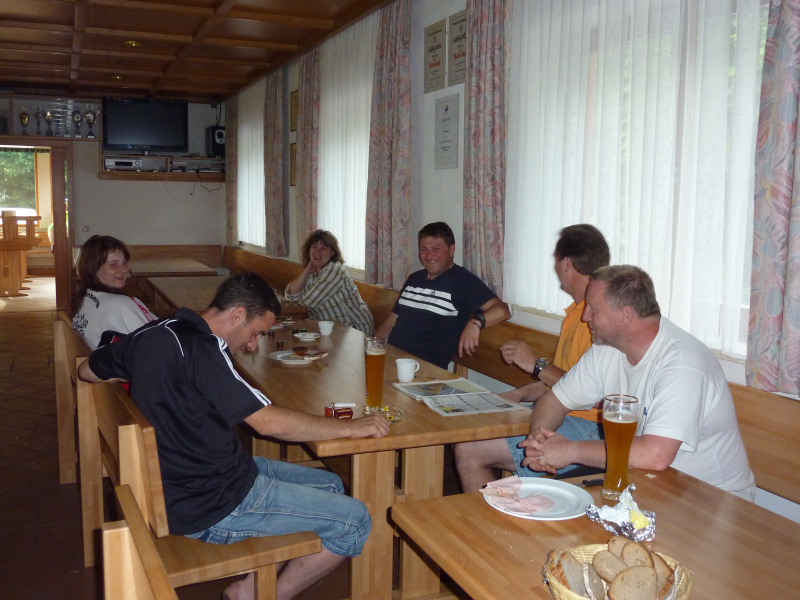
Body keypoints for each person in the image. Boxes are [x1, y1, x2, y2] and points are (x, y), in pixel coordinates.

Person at [78, 272, 390, 600]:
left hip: (193, 479)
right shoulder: (205, 349)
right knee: (356, 520)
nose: (253, 345)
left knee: (332, 485)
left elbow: (87, 370)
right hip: (213, 503)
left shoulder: (158, 330)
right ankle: (266, 596)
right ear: (238, 314)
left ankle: (249, 587)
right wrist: (353, 426)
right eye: (256, 333)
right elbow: (268, 423)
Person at [465, 265, 756, 500]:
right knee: (549, 513)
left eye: (593, 309)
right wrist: (540, 439)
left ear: (625, 315)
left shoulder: (681, 364)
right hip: (648, 483)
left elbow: (656, 455)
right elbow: (554, 401)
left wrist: (570, 450)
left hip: (711, 499)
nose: (585, 317)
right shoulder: (608, 349)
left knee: (564, 523)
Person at [456, 224, 610, 489]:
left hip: (589, 426)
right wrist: (517, 395)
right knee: (469, 423)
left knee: (469, 449)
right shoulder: (576, 313)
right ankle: (510, 507)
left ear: (566, 264)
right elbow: (561, 382)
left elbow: (590, 395)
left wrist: (537, 365)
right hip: (563, 413)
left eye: (556, 260)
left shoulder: (595, 319)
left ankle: (495, 517)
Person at [375, 222, 511, 369]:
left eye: (436, 249)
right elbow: (392, 321)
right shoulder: (414, 279)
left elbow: (503, 310)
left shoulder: (462, 281)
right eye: (424, 249)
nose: (429, 255)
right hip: (392, 360)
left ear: (451, 250)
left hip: (423, 369)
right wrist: (374, 349)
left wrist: (475, 323)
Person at [72, 234, 157, 348]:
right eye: (113, 265)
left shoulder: (85, 298)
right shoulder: (121, 305)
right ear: (93, 269)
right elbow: (156, 345)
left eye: (124, 262)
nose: (124, 270)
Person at [284, 229, 374, 334]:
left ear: (332, 252)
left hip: (355, 328)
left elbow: (307, 302)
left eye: (323, 248)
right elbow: (290, 296)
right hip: (331, 329)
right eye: (314, 247)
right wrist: (307, 271)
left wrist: (298, 297)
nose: (317, 252)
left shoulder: (335, 270)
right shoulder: (313, 272)